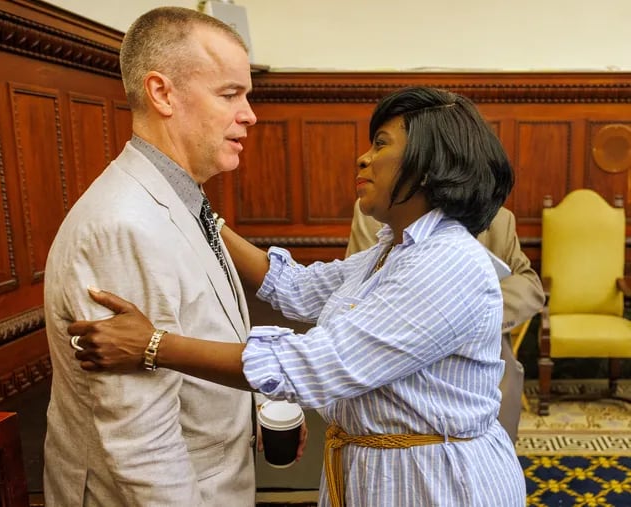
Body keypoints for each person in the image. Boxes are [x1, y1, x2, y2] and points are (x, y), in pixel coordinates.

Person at [70, 86, 527, 506]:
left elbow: (317, 366)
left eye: (382, 144)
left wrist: (152, 346)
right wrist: (202, 216)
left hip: (434, 485)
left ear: (432, 163)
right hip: (378, 472)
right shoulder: (395, 249)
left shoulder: (447, 263)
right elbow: (298, 287)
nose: (362, 159)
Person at [42, 7, 283, 506]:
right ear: (162, 93)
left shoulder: (180, 197)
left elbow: (206, 330)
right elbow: (139, 440)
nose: (249, 115)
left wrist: (254, 409)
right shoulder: (122, 225)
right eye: (229, 94)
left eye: (247, 96)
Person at [346, 202, 545, 442]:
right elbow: (358, 289)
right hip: (396, 366)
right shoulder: (376, 213)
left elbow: (530, 285)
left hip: (483, 376)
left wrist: (470, 307)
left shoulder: (499, 218)